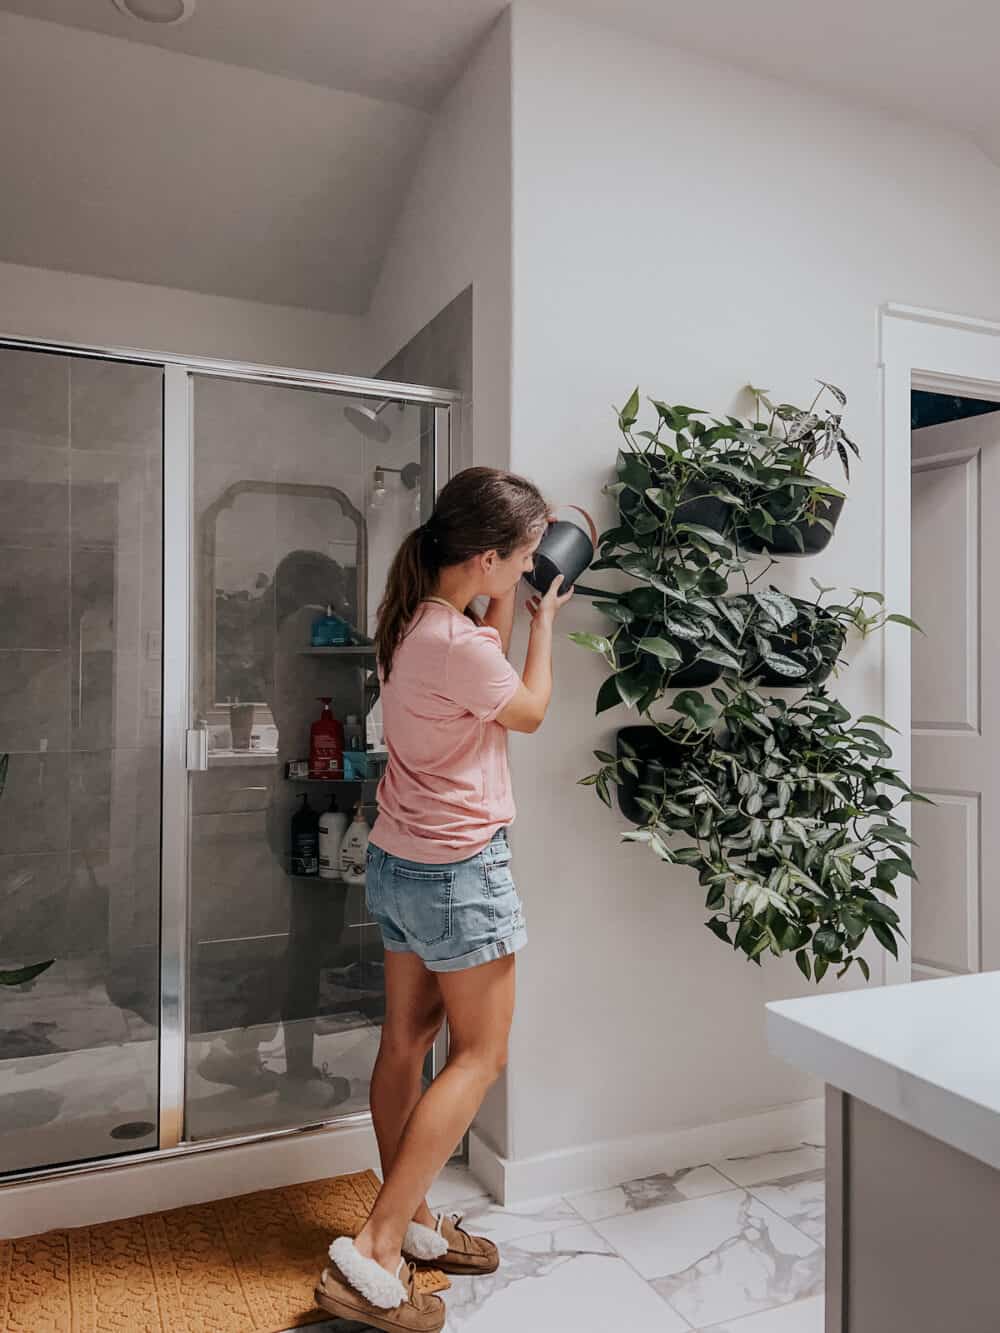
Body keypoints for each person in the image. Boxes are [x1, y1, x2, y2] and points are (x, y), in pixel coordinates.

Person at [315, 467, 573, 1332]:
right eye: (527, 555)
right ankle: (378, 1247)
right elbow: (528, 710)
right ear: (491, 557)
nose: (534, 565)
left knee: (406, 1040)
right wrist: (545, 621)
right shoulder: (460, 645)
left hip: (398, 861)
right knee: (479, 1056)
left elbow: (476, 657)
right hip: (461, 872)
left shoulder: (414, 623)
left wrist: (503, 604)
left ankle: (416, 1220)